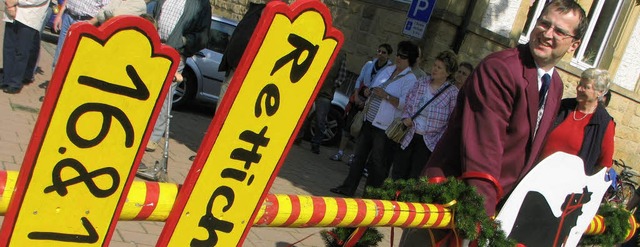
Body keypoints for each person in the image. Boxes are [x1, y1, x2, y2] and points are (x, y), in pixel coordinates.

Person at [422, 0, 587, 217]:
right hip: (453, 202)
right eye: (544, 23)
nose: (547, 33)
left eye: (559, 31)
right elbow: (484, 152)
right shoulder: (501, 69)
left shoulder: (555, 85)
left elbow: (530, 153)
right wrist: (483, 220)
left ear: (574, 45)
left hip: (493, 207)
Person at [329, 40, 418, 197]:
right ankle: (348, 187)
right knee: (358, 158)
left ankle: (370, 197)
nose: (398, 58)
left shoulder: (410, 80)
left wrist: (387, 96)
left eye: (403, 56)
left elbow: (406, 105)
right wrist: (368, 92)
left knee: (378, 164)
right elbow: (372, 84)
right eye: (398, 54)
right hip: (369, 120)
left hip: (385, 128)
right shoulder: (388, 69)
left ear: (410, 59)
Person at [145, 0, 211, 152]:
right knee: (146, 90)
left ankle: (153, 138)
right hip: (154, 49)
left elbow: (203, 35)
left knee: (165, 96)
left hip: (176, 54)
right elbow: (154, 15)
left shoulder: (201, 4)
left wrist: (183, 41)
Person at [391, 50, 459, 180]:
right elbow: (408, 102)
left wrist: (440, 141)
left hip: (429, 141)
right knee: (398, 172)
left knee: (415, 177)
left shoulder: (452, 93)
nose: (434, 69)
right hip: (409, 134)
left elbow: (451, 121)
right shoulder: (421, 82)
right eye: (434, 65)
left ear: (448, 73)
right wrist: (406, 118)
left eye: (439, 68)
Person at [539, 68, 615, 175]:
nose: (579, 88)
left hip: (566, 186)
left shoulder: (604, 123)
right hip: (537, 172)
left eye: (586, 87)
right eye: (580, 84)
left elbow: (605, 164)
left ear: (600, 92)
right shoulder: (563, 106)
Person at [330, 43, 393, 162]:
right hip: (359, 96)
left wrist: (368, 101)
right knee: (348, 126)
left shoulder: (389, 70)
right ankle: (340, 152)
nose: (380, 54)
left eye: (383, 52)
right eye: (379, 51)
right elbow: (360, 79)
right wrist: (356, 95)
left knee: (361, 131)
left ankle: (354, 156)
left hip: (371, 101)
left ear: (389, 55)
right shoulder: (370, 64)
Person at [1, 0, 50, 94]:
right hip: (11, 13)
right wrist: (9, 4)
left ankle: (15, 82)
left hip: (28, 17)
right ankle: (6, 79)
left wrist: (15, 2)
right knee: (9, 48)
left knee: (22, 51)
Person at [309, 50, 347, 154]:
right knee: (303, 115)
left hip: (326, 92)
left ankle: (316, 143)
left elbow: (342, 76)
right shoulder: (324, 48)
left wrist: (333, 85)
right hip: (312, 88)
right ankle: (297, 137)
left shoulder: (340, 55)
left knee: (320, 119)